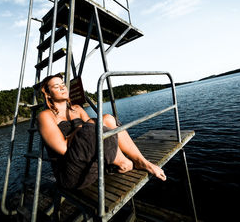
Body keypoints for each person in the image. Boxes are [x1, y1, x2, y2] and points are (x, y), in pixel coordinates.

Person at [37, 73, 166, 190]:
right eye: (56, 86)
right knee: (92, 125)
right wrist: (80, 129)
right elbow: (63, 148)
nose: (62, 87)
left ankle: (141, 161)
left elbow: (96, 130)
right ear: (48, 94)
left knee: (107, 119)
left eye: (63, 84)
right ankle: (123, 162)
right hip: (72, 173)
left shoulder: (77, 109)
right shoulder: (45, 116)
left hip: (91, 162)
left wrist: (83, 128)